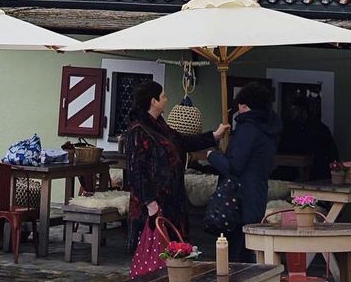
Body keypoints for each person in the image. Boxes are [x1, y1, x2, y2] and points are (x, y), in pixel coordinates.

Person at [126, 80, 225, 254]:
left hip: (171, 200)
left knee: (175, 249)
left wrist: (214, 136)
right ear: (153, 101)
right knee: (155, 250)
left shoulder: (160, 126)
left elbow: (182, 142)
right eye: (163, 96)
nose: (166, 99)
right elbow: (137, 170)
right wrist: (150, 202)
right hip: (153, 203)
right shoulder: (138, 130)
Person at [206, 81, 281, 262]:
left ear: (245, 105)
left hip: (238, 200)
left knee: (234, 256)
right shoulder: (269, 128)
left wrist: (212, 156)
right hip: (256, 195)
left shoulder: (248, 129)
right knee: (248, 251)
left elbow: (234, 167)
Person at [279, 97, 338, 180]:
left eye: (295, 110)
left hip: (316, 172)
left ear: (303, 111)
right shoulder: (289, 128)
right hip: (292, 171)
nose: (292, 113)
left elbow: (331, 152)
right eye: (292, 110)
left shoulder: (319, 129)